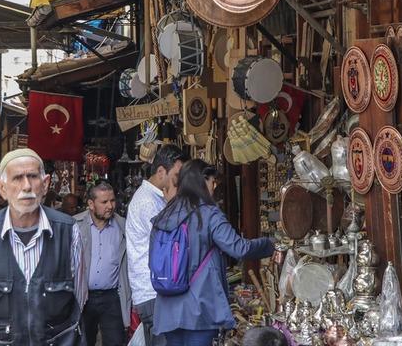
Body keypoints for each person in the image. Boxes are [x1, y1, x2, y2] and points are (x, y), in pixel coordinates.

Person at [0, 148, 85, 345]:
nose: (27, 186)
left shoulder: (68, 230)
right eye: (17, 178)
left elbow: (79, 295)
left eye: (33, 177)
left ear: (45, 184)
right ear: (2, 188)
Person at [151, 160, 274, 346]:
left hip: (167, 311)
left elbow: (154, 261)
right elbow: (238, 248)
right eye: (212, 181)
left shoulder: (164, 215)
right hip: (200, 309)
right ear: (202, 181)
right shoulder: (208, 214)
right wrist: (269, 245)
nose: (214, 187)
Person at [125, 144, 187, 346]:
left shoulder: (156, 198)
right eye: (177, 175)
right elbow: (172, 241)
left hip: (156, 293)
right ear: (161, 172)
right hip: (154, 294)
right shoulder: (148, 202)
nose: (180, 181)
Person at [73, 183, 130, 346]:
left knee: (116, 341)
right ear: (91, 204)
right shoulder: (75, 225)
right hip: (83, 296)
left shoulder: (122, 226)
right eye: (104, 202)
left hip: (112, 297)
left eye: (112, 201)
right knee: (82, 341)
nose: (110, 206)